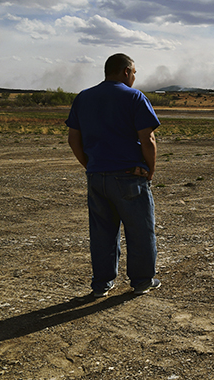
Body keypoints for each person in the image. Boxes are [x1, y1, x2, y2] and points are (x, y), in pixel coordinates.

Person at [65, 53, 161, 297]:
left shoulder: (83, 98)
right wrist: (150, 168)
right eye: (134, 73)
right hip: (129, 176)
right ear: (126, 71)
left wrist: (90, 165)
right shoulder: (135, 97)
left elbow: (73, 139)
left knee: (102, 232)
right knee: (140, 231)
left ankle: (101, 284)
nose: (134, 77)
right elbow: (147, 138)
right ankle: (141, 281)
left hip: (97, 176)